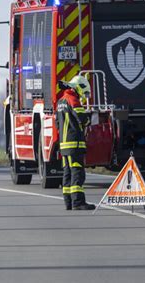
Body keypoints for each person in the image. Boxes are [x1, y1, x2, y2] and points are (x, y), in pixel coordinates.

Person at [56, 75, 95, 211]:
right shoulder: (73, 100)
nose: (83, 96)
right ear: (78, 87)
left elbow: (57, 123)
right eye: (83, 92)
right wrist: (89, 117)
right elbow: (83, 119)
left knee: (67, 173)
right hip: (74, 144)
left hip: (64, 145)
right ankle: (78, 202)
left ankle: (68, 202)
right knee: (77, 173)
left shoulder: (61, 101)